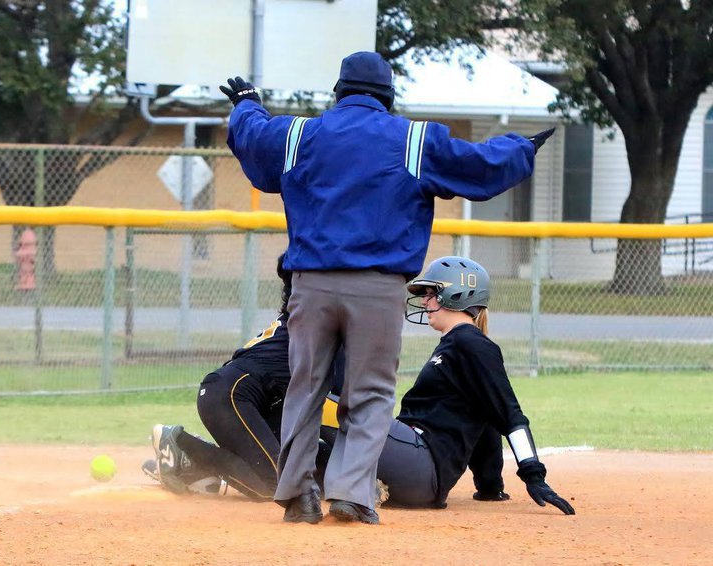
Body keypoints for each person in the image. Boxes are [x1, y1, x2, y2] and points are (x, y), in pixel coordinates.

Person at [220, 50, 555, 525]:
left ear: (339, 93)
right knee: (370, 394)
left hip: (310, 287)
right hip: (376, 289)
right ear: (388, 96)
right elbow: (478, 165)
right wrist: (522, 148)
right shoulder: (414, 139)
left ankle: (297, 494)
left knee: (305, 388)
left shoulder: (299, 134)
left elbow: (254, 136)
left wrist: (247, 103)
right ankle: (352, 495)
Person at [376, 255, 574, 513]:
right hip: (416, 471)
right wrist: (490, 486)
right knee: (320, 457)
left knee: (340, 406)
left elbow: (508, 413)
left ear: (456, 295)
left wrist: (534, 474)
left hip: (420, 461)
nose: (424, 301)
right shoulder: (455, 344)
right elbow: (486, 416)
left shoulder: (471, 344)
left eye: (431, 293)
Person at [149, 254, 342, 500]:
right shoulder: (312, 325)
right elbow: (339, 405)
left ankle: (193, 468)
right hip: (230, 395)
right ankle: (184, 447)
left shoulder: (306, 321)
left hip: (254, 401)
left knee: (293, 475)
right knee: (276, 485)